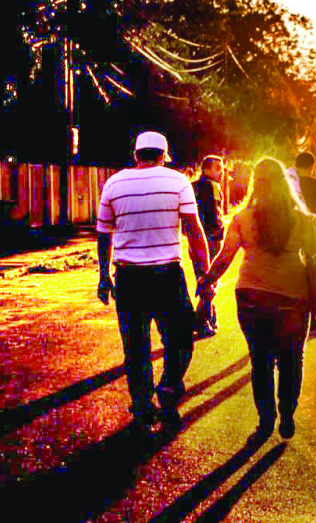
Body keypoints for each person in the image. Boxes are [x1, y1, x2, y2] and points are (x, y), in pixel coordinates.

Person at [198, 157, 316, 439]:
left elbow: (224, 258)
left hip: (251, 300)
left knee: (260, 361)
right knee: (292, 359)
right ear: (284, 183)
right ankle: (287, 415)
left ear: (255, 184)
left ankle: (266, 420)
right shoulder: (303, 218)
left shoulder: (242, 219)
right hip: (293, 299)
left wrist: (207, 281)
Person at [96, 131, 210, 434]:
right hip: (167, 276)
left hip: (128, 277)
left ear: (136, 155)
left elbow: (104, 234)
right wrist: (204, 276)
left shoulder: (113, 183)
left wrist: (103, 275)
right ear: (163, 155)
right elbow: (194, 231)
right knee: (181, 338)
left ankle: (143, 404)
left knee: (136, 346)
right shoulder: (178, 181)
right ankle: (169, 386)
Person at [292, 151, 316, 339]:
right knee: (311, 281)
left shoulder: (288, 183)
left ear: (296, 165)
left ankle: (291, 321)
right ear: (312, 166)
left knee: (292, 280)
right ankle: (311, 324)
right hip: (311, 238)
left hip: (291, 237)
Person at [191, 154, 226, 338]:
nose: (221, 172)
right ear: (206, 169)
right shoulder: (213, 186)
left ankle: (209, 316)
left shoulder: (193, 187)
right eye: (217, 168)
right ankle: (201, 320)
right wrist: (220, 232)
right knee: (209, 280)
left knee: (203, 277)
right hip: (211, 240)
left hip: (195, 241)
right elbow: (215, 216)